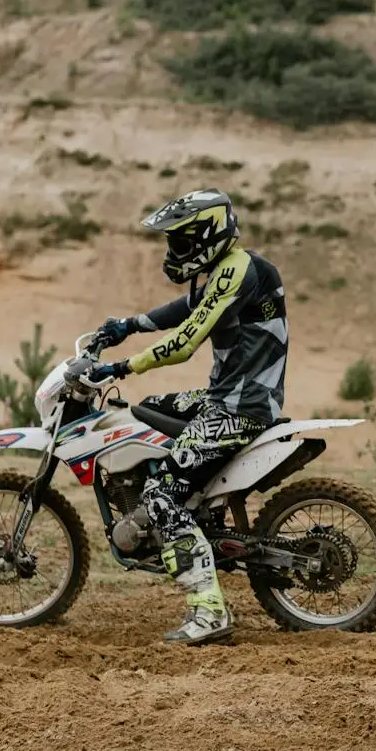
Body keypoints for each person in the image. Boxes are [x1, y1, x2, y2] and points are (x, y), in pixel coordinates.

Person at [78, 189, 288, 645]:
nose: (172, 252)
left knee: (161, 497)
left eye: (178, 241)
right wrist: (128, 325)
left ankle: (209, 613)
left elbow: (187, 339)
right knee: (147, 409)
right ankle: (196, 507)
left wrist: (120, 367)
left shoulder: (239, 271)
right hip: (228, 397)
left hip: (239, 407)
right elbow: (184, 310)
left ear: (204, 236)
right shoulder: (233, 270)